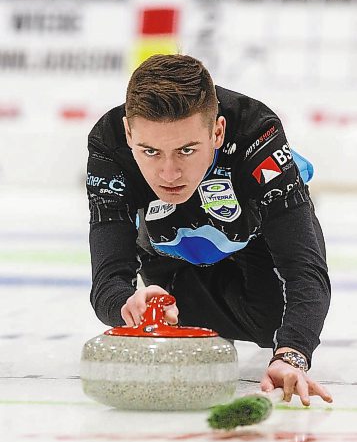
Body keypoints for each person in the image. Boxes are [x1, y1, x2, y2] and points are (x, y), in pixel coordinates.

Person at [86, 54, 333, 406]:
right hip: (170, 246)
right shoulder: (109, 145)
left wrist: (291, 354)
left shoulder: (257, 134)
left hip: (254, 231)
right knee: (173, 320)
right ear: (128, 133)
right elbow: (108, 276)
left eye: (186, 150)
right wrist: (128, 306)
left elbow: (304, 269)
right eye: (150, 151)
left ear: (217, 131)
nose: (169, 173)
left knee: (274, 325)